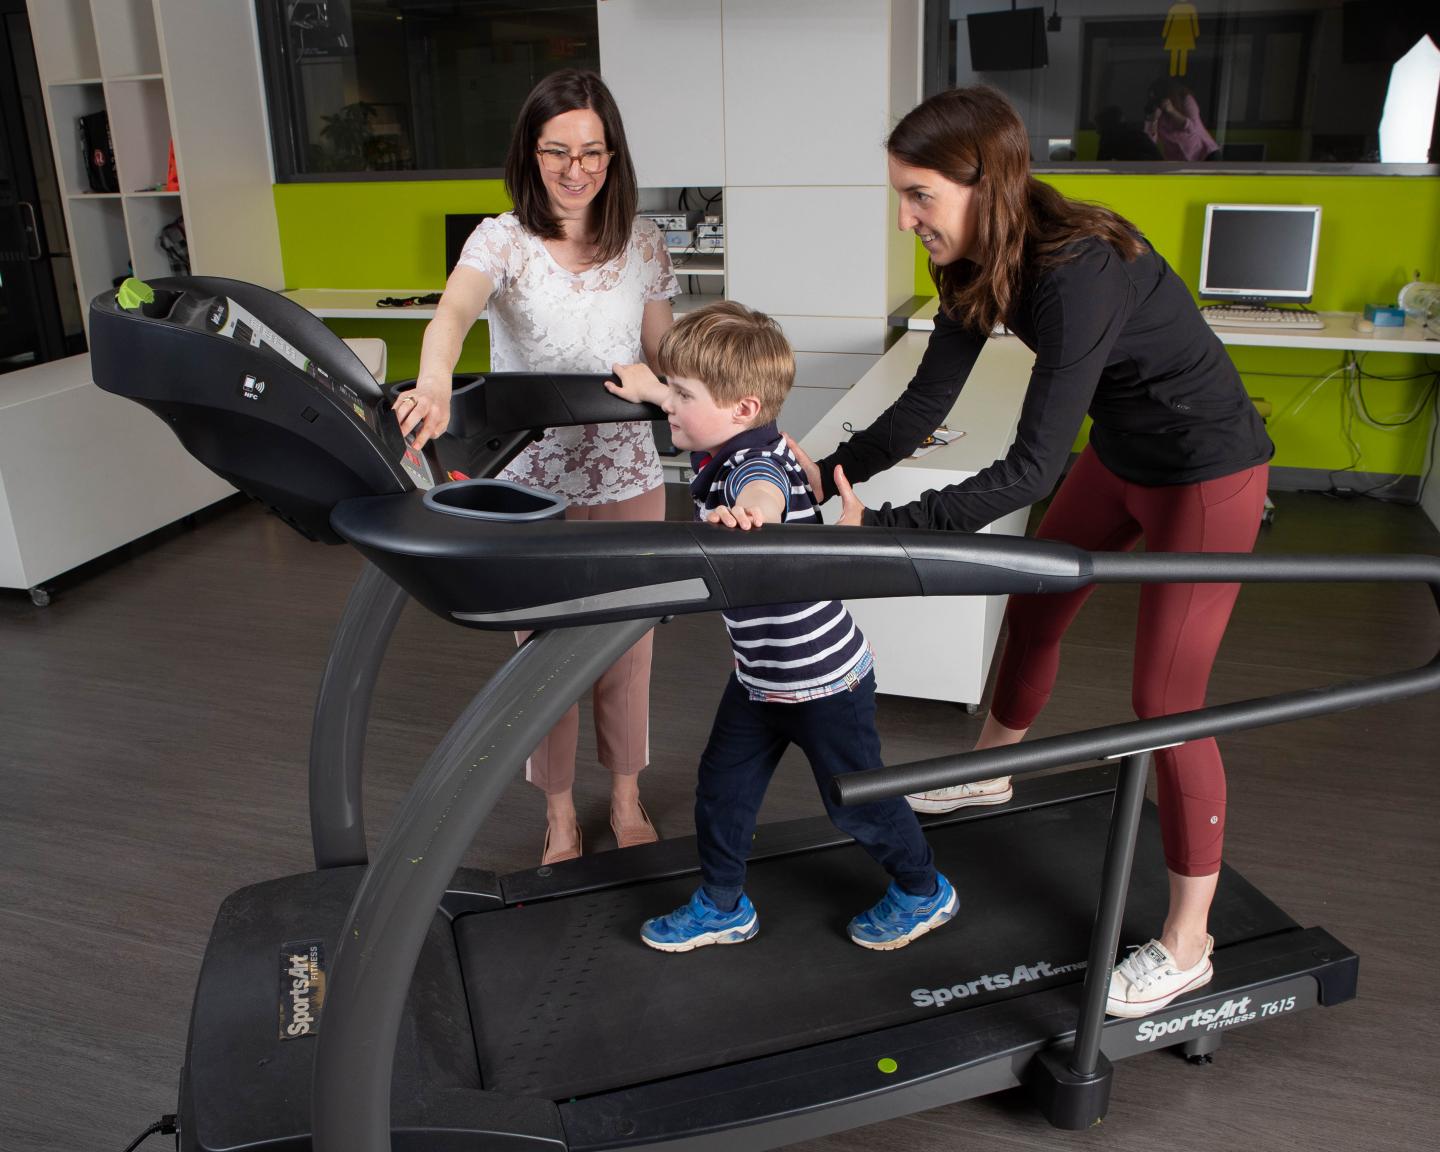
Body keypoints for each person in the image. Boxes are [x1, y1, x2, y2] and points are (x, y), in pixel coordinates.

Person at [788, 86, 1273, 1016]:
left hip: (1207, 473)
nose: (905, 218)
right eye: (901, 194)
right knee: (1035, 600)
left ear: (985, 182)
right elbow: (924, 408)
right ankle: (990, 768)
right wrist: (815, 475)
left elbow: (1026, 468)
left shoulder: (1075, 269)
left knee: (1165, 700)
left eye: (920, 195)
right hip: (1124, 457)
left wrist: (887, 532)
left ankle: (1188, 941)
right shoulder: (976, 260)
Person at [606, 302, 957, 953]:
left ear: (741, 408)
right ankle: (721, 904)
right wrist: (649, 386)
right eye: (673, 392)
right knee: (722, 787)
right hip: (760, 677)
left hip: (822, 681)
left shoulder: (755, 469)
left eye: (683, 396)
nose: (671, 409)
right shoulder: (747, 432)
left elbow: (763, 492)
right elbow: (692, 399)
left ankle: (921, 888)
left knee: (857, 801)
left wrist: (750, 516)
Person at [396, 70, 678, 866]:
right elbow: (452, 313)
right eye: (558, 151)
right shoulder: (502, 240)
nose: (576, 168)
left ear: (613, 153)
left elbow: (662, 350)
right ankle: (559, 812)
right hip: (534, 489)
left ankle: (625, 795)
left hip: (628, 478)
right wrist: (433, 380)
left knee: (627, 649)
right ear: (530, 151)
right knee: (543, 652)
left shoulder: (644, 242)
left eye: (592, 151)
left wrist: (667, 382)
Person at [1143, 79, 1219, 162]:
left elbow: (1192, 128)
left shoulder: (1186, 100)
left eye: (1157, 98)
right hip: (1179, 160)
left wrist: (1172, 111)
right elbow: (1150, 142)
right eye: (1152, 99)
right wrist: (1153, 120)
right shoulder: (1156, 113)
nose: (1155, 102)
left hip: (1204, 153)